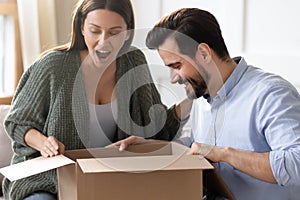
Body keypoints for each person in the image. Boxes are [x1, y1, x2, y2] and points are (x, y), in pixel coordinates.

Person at [2, 1, 190, 200]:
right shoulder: (52, 66)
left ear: (127, 32)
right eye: (95, 31)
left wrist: (196, 96)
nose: (103, 42)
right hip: (48, 182)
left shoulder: (133, 62)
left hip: (108, 180)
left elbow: (157, 127)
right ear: (82, 27)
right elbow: (17, 122)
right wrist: (44, 143)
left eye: (114, 32)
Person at [112, 8, 300, 200]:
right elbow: (198, 145)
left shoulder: (270, 94)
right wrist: (156, 148)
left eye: (177, 66)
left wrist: (223, 154)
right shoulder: (202, 97)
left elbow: (297, 163)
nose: (172, 79)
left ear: (203, 53)